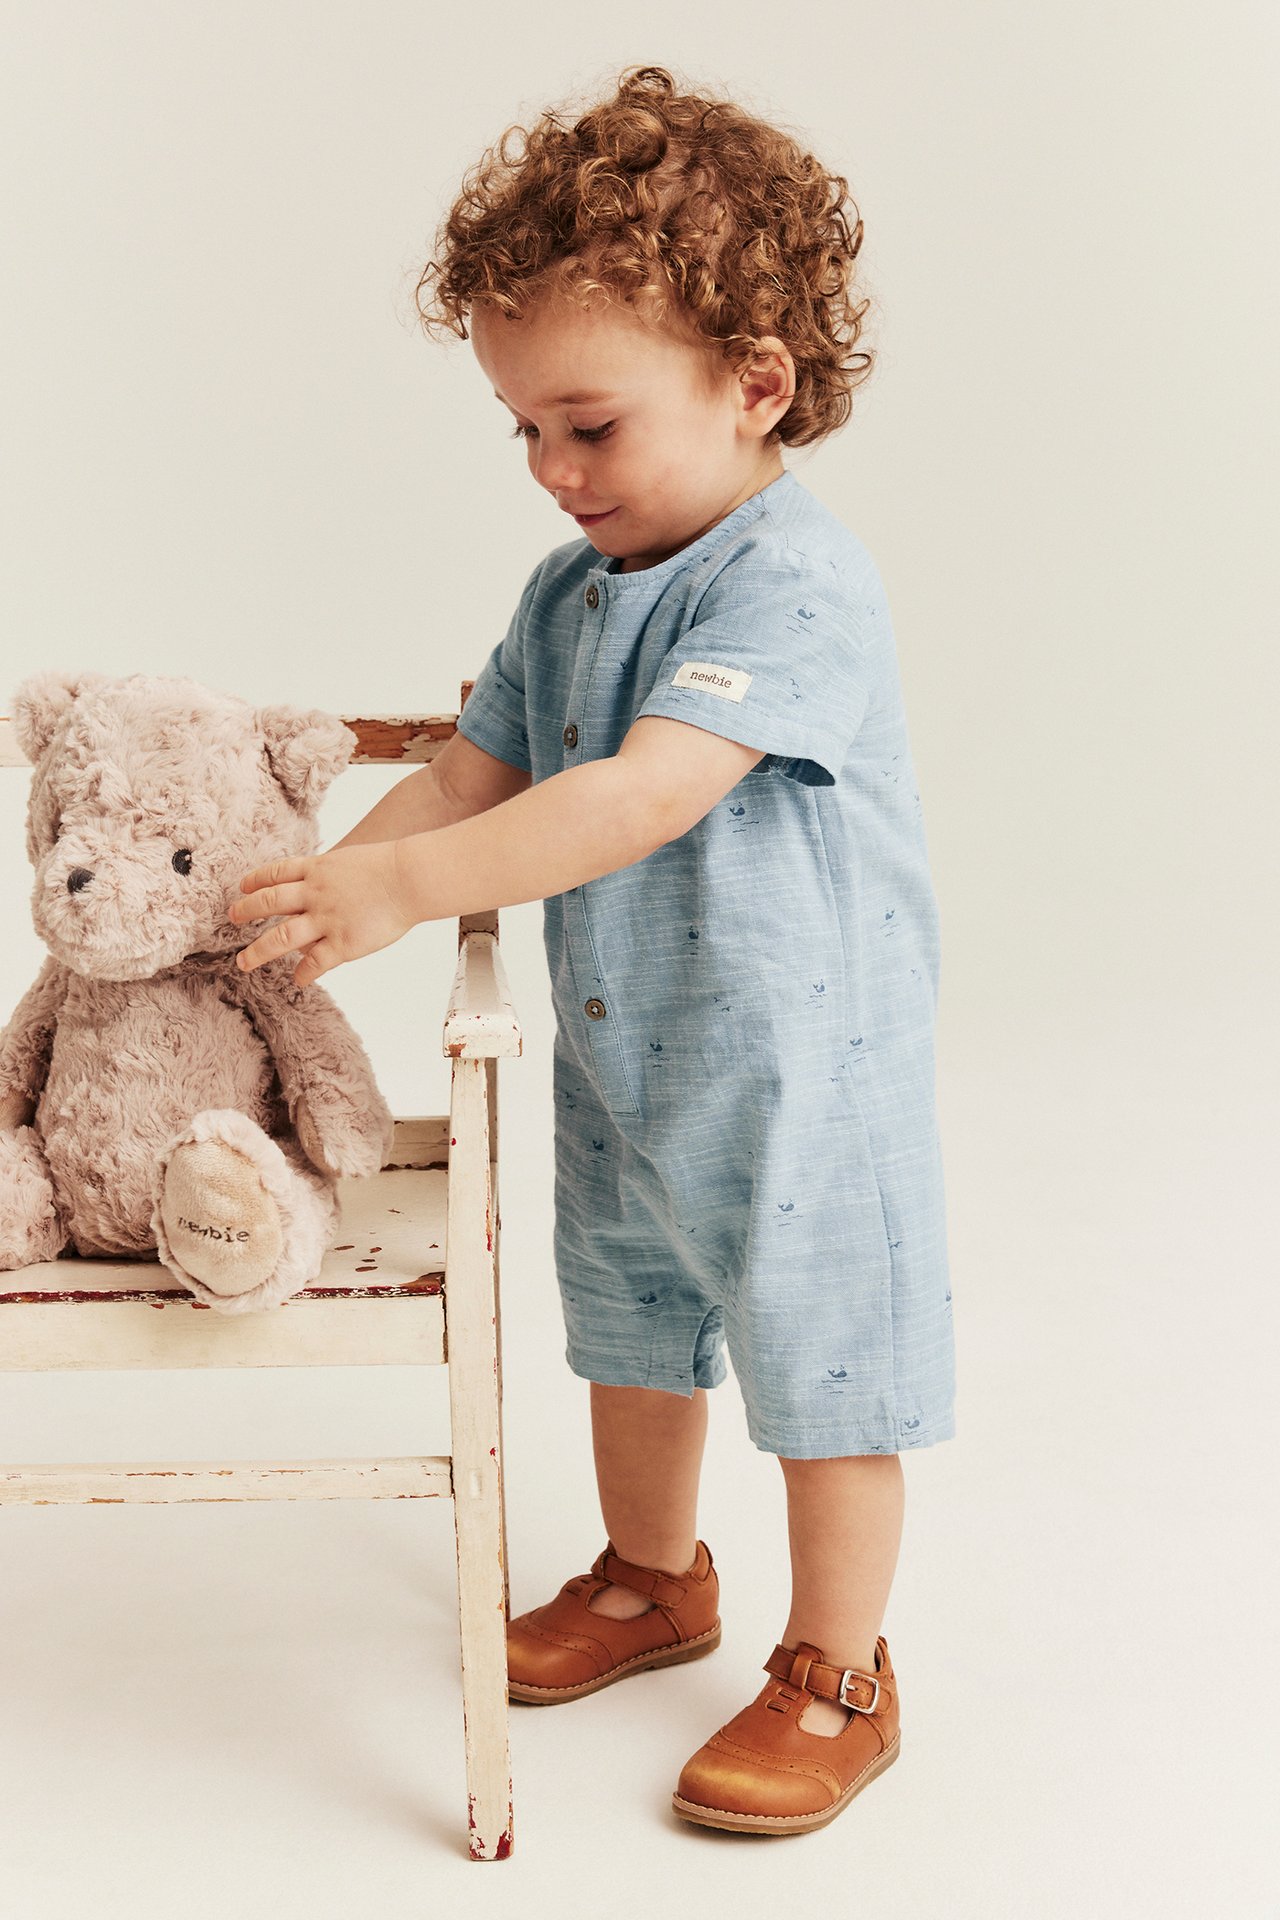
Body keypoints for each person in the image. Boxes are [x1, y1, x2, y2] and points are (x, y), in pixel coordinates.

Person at [229, 63, 955, 1837]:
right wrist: (323, 900)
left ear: (755, 383)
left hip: (799, 1071)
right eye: (524, 433)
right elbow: (483, 761)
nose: (554, 472)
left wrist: (413, 898)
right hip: (630, 1049)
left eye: (591, 424)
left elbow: (635, 797)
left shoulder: (793, 582)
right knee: (632, 1324)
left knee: (817, 1357)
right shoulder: (571, 592)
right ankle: (654, 1576)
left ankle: (841, 1667)